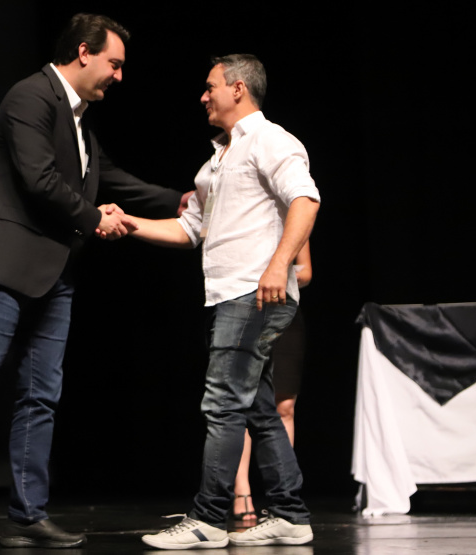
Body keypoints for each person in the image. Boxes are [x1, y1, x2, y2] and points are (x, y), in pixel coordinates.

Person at [0, 13, 185, 552]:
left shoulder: (80, 121)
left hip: (55, 273)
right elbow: (39, 178)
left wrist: (179, 200)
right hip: (4, 266)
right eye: (114, 64)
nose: (119, 77)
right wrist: (93, 217)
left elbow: (112, 179)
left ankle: (28, 513)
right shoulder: (29, 97)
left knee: (42, 394)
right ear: (84, 52)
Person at [132, 54, 320, 549]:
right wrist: (129, 223)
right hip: (230, 293)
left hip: (254, 291)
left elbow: (305, 199)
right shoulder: (217, 159)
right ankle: (290, 513)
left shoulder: (270, 139)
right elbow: (190, 228)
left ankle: (209, 519)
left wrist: (279, 264)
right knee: (256, 407)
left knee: (221, 404)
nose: (203, 95)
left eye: (210, 85)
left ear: (238, 89)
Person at [233, 243, 311, 523]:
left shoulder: (293, 217)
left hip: (284, 311)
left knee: (284, 405)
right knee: (243, 403)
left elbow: (306, 272)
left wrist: (279, 272)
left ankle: (282, 495)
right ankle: (242, 490)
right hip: (245, 309)